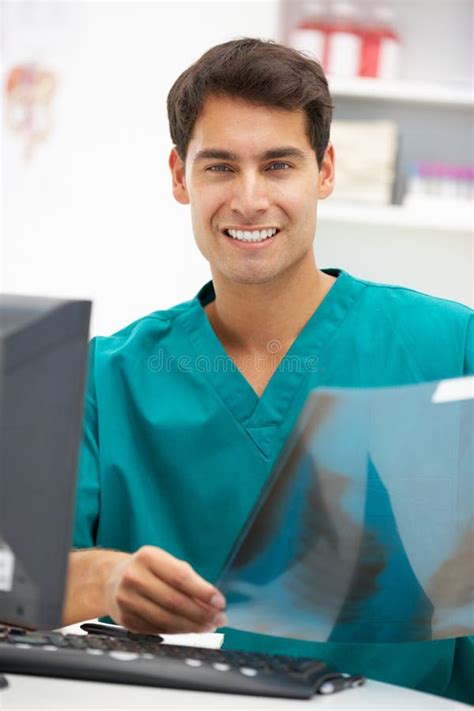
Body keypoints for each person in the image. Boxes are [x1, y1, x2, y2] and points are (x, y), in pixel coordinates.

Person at [65, 38, 473, 703]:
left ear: (325, 170)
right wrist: (105, 580)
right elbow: (22, 577)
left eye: (278, 164)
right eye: (220, 166)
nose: (249, 199)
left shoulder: (450, 347)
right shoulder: (106, 378)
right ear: (179, 176)